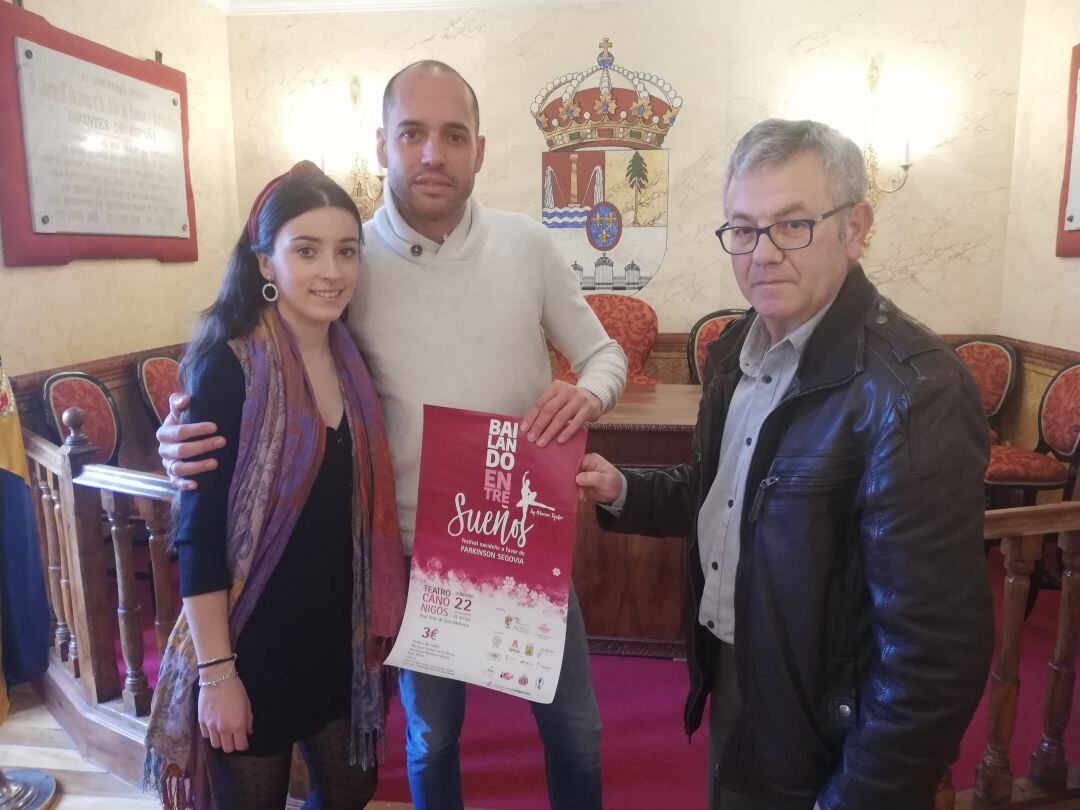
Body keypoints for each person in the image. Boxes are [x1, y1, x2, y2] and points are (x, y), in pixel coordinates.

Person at [157, 61, 626, 810]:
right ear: (382, 145)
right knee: (430, 742)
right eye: (413, 134)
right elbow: (257, 373)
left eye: (453, 135)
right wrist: (181, 433)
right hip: (408, 552)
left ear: (480, 149)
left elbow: (605, 354)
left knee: (576, 733)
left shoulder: (528, 245)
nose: (433, 154)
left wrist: (586, 395)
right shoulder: (350, 254)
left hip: (518, 534)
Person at [576, 119, 994, 810]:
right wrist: (624, 489)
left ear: (855, 228)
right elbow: (730, 499)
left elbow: (933, 659)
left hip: (834, 715)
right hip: (740, 666)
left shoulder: (914, 389)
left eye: (792, 224)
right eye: (742, 228)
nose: (762, 253)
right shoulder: (735, 350)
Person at [144, 161, 406, 810]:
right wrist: (217, 675)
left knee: (353, 789)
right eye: (306, 250)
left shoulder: (352, 360)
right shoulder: (227, 365)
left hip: (335, 636)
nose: (332, 271)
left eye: (347, 252)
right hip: (253, 641)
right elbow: (200, 535)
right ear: (265, 263)